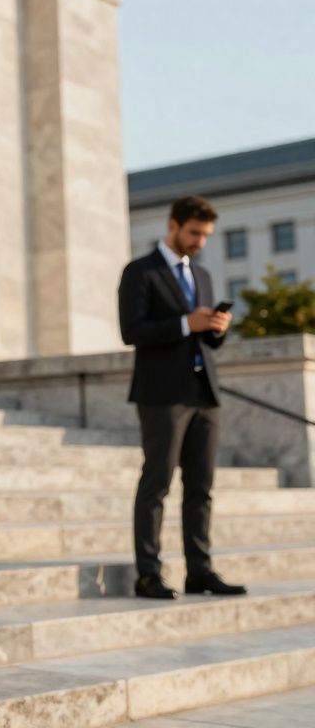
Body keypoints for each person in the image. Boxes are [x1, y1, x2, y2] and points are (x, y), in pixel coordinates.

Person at [117, 195, 246, 599]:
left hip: (203, 392)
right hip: (162, 395)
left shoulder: (202, 276)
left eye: (206, 235)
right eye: (194, 233)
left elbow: (205, 341)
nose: (200, 242)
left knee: (202, 487)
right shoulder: (140, 272)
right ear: (173, 225)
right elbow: (131, 332)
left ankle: (199, 570)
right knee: (157, 483)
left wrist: (215, 328)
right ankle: (148, 573)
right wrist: (184, 323)